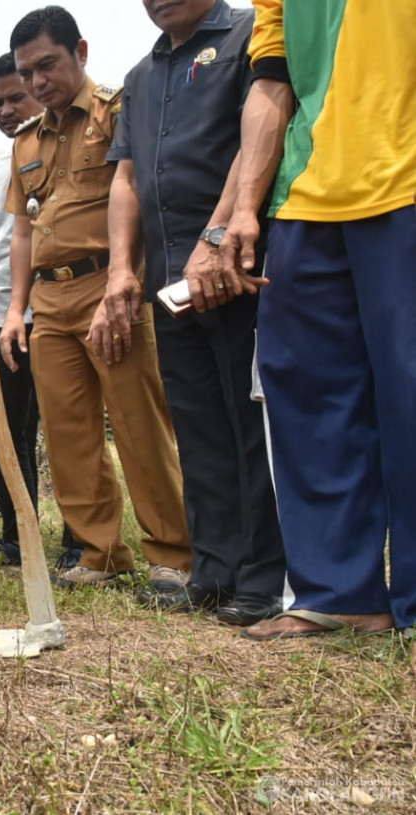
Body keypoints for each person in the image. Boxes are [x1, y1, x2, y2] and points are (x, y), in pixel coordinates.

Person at [220, 1, 416, 640]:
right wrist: (245, 205)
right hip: (306, 194)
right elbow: (271, 83)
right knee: (306, 390)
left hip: (407, 180)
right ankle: (340, 592)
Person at [96, 0, 285, 625]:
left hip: (236, 266)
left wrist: (217, 234)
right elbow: (126, 178)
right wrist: (124, 268)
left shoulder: (246, 36)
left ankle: (264, 576)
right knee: (198, 428)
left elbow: (253, 137)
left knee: (249, 425)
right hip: (170, 283)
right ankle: (215, 569)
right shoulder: (141, 77)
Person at [0, 7, 192, 594]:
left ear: (80, 52)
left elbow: (136, 192)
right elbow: (25, 231)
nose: (36, 82)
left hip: (111, 287)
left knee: (137, 424)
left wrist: (122, 282)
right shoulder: (25, 141)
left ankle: (172, 555)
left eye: (47, 65)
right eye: (26, 72)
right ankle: (100, 553)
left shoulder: (118, 108)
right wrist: (15, 309)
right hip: (50, 300)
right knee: (67, 433)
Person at [0, 53, 71, 571]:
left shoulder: (51, 156)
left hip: (42, 314)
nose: (6, 110)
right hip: (1, 320)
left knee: (66, 429)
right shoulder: (1, 167)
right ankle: (16, 538)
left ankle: (79, 541)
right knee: (4, 434)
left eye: (15, 98)